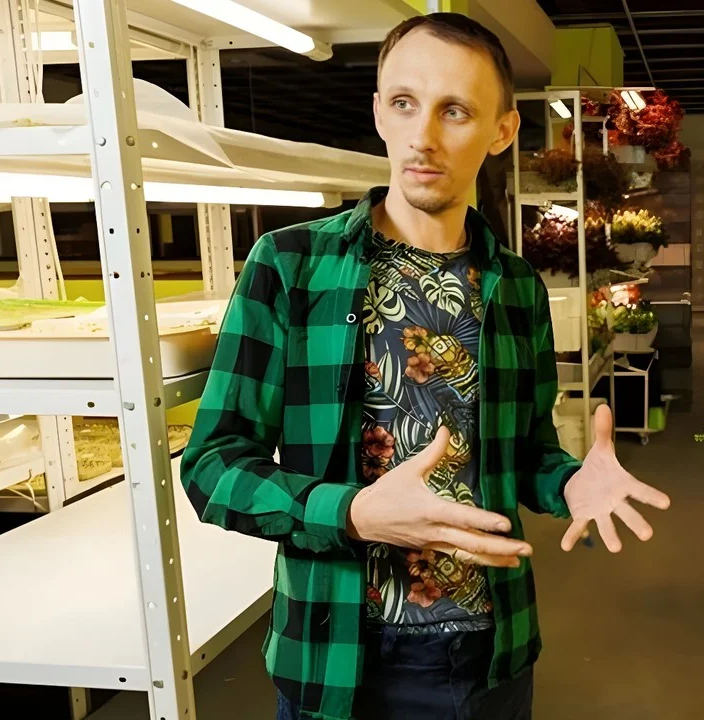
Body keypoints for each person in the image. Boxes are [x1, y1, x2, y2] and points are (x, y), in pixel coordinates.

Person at [180, 13, 670, 720]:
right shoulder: (292, 266)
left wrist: (569, 483)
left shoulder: (515, 287)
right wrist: (352, 513)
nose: (424, 136)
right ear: (379, 111)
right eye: (405, 103)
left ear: (502, 131)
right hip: (339, 657)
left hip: (490, 654)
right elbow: (213, 465)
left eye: (456, 111)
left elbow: (525, 454)